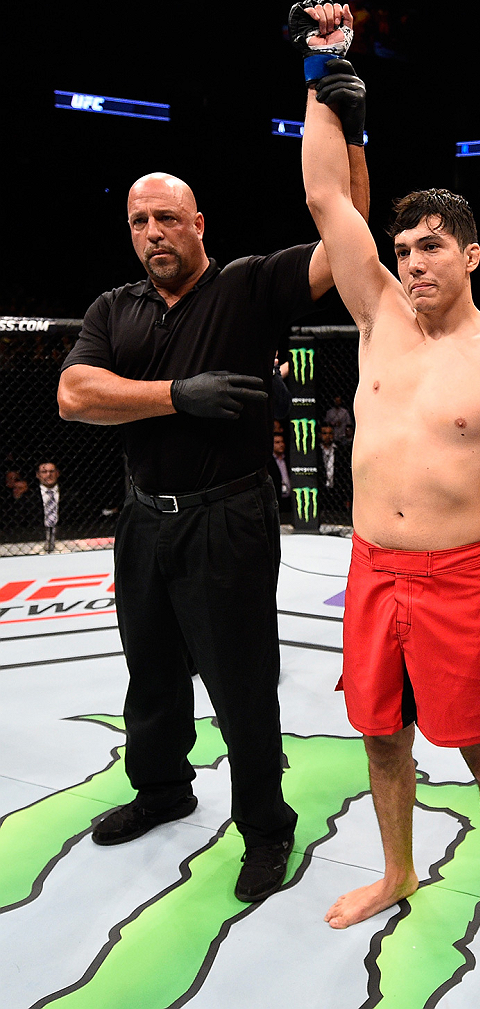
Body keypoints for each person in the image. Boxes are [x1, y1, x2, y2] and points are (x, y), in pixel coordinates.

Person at [293, 1, 480, 997]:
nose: (413, 261)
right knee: (380, 735)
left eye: (433, 246)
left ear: (472, 255)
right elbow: (326, 195)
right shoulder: (377, 319)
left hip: (454, 579)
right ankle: (398, 869)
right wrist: (323, 67)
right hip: (371, 571)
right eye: (405, 247)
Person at [57, 152, 368, 903]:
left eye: (169, 218)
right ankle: (163, 789)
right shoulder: (113, 307)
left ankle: (266, 828)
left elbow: (347, 236)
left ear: (198, 226)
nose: (155, 232)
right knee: (152, 671)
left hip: (228, 515)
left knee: (240, 681)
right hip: (143, 517)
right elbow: (74, 394)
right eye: (140, 221)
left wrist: (350, 138)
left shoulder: (248, 285)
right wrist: (175, 395)